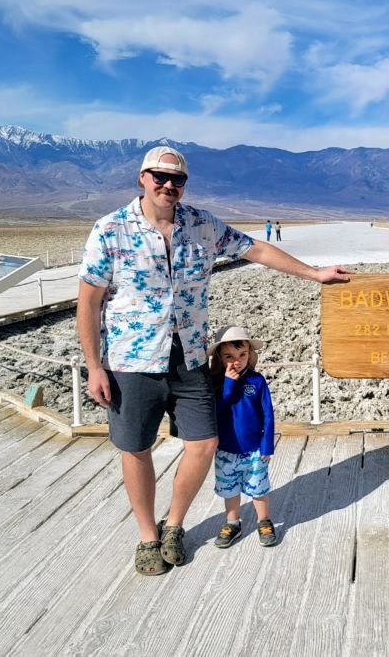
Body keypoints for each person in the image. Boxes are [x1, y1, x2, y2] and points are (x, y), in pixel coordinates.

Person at [77, 146, 350, 576]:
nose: (169, 185)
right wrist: (94, 365)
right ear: (142, 178)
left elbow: (255, 250)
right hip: (131, 360)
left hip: (188, 357)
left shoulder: (202, 225)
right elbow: (89, 301)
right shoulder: (111, 229)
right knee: (136, 448)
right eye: (159, 177)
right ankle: (148, 537)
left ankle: (174, 524)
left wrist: (314, 274)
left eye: (177, 180)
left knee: (203, 443)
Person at [209, 324, 276, 548]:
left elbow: (268, 414)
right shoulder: (216, 383)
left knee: (259, 488)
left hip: (255, 448)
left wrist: (267, 445)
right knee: (230, 489)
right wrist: (228, 383)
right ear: (219, 357)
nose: (236, 361)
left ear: (250, 354)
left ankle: (264, 520)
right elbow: (218, 409)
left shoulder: (257, 381)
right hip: (226, 449)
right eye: (228, 356)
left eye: (242, 355)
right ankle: (232, 522)